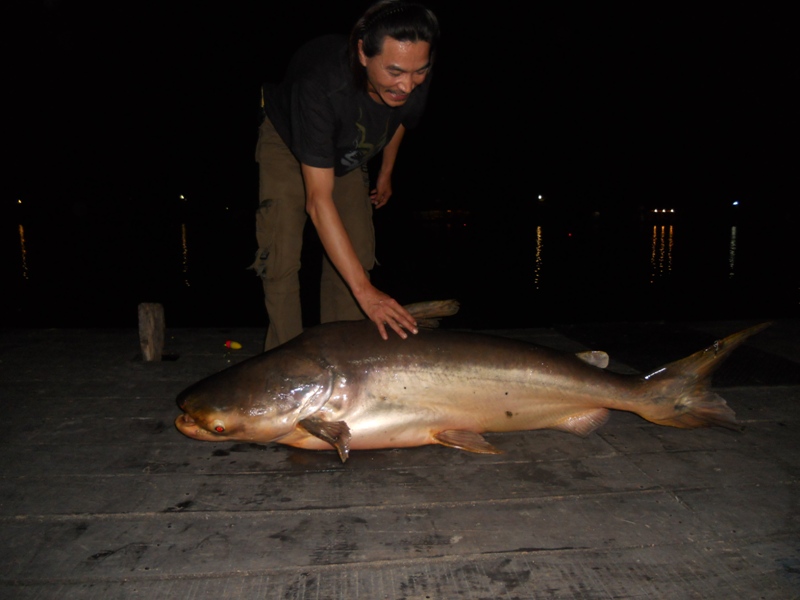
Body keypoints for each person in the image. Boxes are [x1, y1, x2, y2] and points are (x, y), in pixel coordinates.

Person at [252, 0, 440, 351]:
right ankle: (285, 364)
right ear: (363, 54)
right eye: (395, 72)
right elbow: (318, 201)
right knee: (282, 251)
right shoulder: (320, 86)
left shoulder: (413, 70)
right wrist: (367, 295)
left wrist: (386, 173)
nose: (407, 85)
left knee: (356, 251)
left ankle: (343, 358)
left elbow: (401, 120)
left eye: (419, 72)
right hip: (289, 138)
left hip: (347, 149)